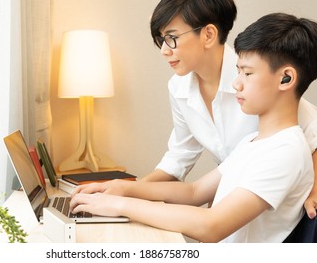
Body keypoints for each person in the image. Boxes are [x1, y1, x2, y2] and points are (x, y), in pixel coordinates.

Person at [70, 12, 317, 242]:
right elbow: (194, 191)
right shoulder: (255, 142)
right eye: (238, 71)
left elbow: (212, 225)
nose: (236, 84)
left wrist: (119, 205)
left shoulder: (285, 151)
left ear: (286, 78)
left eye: (247, 74)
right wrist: (122, 188)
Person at [142, 0, 317, 219]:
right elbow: (179, 157)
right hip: (231, 197)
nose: (164, 50)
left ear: (209, 34)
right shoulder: (178, 88)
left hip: (273, 207)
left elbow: (311, 132)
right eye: (161, 39)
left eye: (172, 38)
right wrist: (130, 190)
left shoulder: (255, 80)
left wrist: (314, 190)